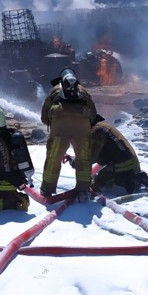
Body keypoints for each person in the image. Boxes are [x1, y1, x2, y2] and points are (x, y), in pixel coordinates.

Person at [39, 67, 97, 202]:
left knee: (53, 159)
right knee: (83, 159)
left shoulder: (54, 91)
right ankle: (83, 191)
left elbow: (44, 117)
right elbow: (93, 114)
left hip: (60, 130)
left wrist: (54, 122)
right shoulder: (83, 91)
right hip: (82, 129)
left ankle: (47, 191)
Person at [89, 116, 148, 194]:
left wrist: (79, 163)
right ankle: (133, 177)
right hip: (128, 161)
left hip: (121, 164)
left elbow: (91, 158)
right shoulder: (101, 125)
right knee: (99, 179)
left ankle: (135, 180)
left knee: (98, 184)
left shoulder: (96, 132)